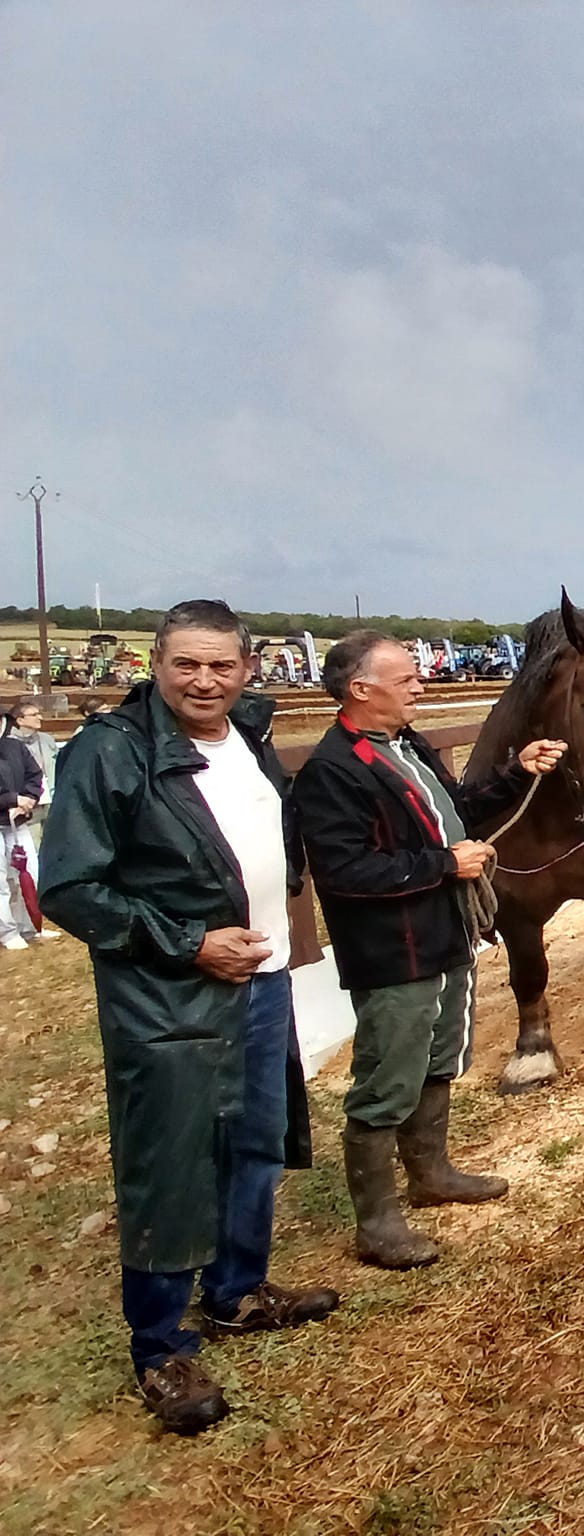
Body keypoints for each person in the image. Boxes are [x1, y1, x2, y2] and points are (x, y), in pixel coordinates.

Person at [39, 600, 340, 1436]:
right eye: (185, 665)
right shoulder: (113, 751)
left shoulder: (246, 733)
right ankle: (161, 1344)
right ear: (156, 666)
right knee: (171, 1159)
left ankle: (238, 1290)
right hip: (170, 993)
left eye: (220, 665)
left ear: (248, 668)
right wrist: (186, 942)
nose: (203, 681)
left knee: (254, 1141)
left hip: (263, 980)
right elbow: (70, 886)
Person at [292, 631, 565, 1269]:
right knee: (388, 1075)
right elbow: (346, 871)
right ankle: (378, 1221)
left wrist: (513, 772)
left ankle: (432, 1172)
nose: (421, 685)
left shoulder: (405, 746)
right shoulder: (333, 772)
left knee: (439, 1057)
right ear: (362, 690)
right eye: (408, 678)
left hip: (443, 937)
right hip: (393, 952)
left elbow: (457, 808)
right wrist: (445, 865)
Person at [0, 721, 44, 949]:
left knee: (29, 874)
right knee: (1, 883)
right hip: (6, 816)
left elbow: (34, 775)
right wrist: (10, 800)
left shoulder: (14, 747)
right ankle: (6, 932)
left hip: (17, 821)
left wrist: (28, 799)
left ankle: (29, 925)